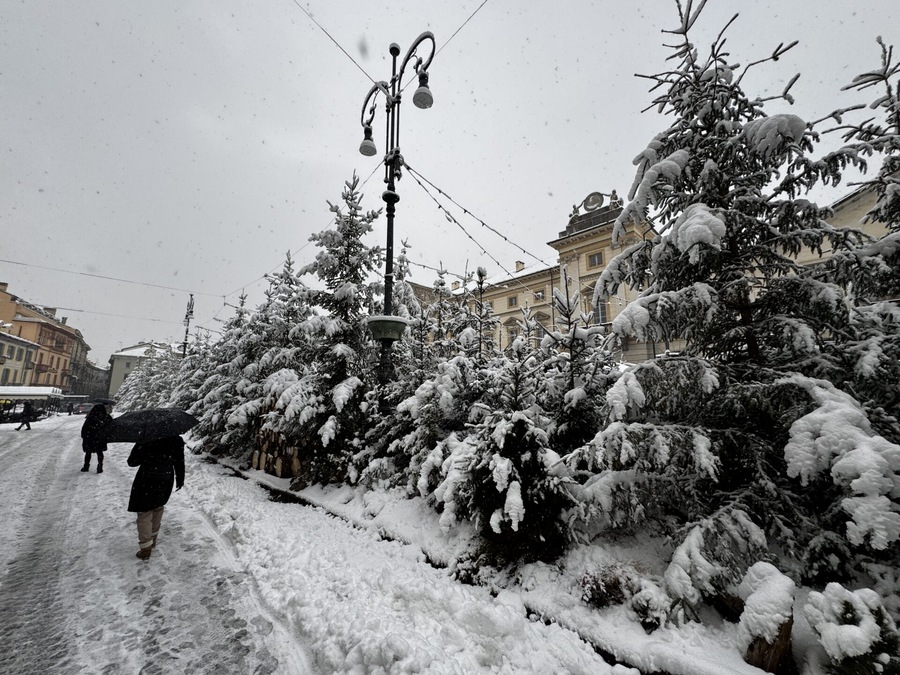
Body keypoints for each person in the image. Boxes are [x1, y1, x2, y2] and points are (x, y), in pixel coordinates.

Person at [127, 435, 185, 560]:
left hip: (146, 479)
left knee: (144, 512)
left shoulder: (146, 438)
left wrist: (141, 446)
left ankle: (146, 548)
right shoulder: (176, 439)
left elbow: (132, 462)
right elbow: (179, 461)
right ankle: (153, 538)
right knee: (158, 507)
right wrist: (180, 479)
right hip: (165, 478)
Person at [80, 403, 112, 473]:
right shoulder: (105, 417)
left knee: (88, 452)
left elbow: (85, 428)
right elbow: (110, 425)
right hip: (100, 438)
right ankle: (100, 466)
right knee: (99, 452)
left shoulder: (90, 417)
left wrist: (84, 436)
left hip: (90, 437)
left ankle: (86, 466)